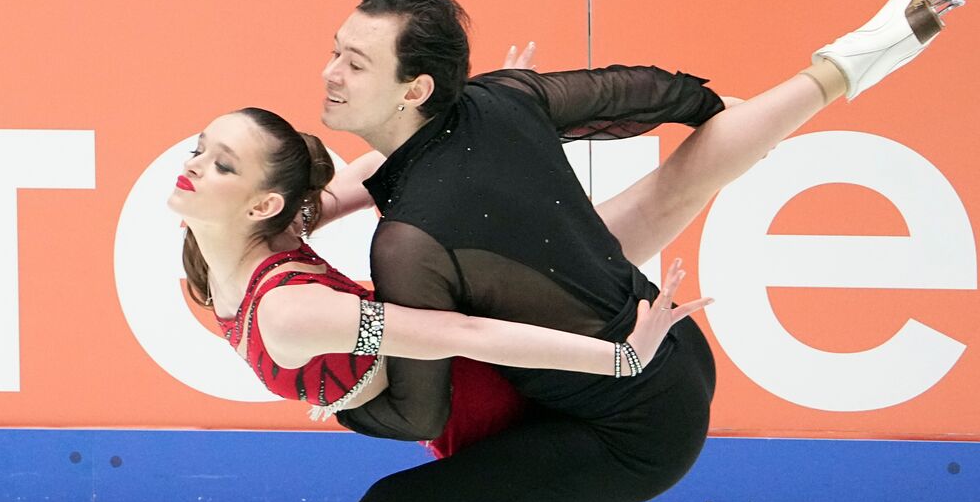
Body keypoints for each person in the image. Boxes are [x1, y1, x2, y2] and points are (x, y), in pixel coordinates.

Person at [221, 0, 963, 502]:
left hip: (626, 423)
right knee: (639, 208)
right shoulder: (502, 101)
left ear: (416, 89)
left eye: (353, 62)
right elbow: (645, 93)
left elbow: (421, 408)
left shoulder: (411, 242)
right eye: (336, 50)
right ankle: (851, 60)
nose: (329, 72)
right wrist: (723, 100)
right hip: (658, 350)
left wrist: (337, 396)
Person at [169, 108, 705, 421]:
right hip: (417, 372)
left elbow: (460, 334)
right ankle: (728, 137)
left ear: (263, 205)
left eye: (220, 163)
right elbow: (376, 165)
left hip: (445, 398)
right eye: (199, 149)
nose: (192, 165)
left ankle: (730, 124)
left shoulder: (290, 310)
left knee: (621, 226)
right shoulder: (231, 242)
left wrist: (620, 358)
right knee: (606, 235)